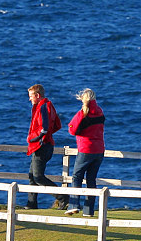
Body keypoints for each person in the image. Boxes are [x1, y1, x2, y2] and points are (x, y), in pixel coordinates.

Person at [25, 84, 68, 210]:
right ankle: (31, 204)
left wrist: (34, 138)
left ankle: (62, 197)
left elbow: (45, 128)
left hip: (42, 145)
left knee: (37, 177)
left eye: (31, 96)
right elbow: (57, 125)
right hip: (43, 144)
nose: (29, 99)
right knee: (32, 176)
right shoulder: (46, 106)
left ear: (37, 95)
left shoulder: (44, 107)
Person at [65, 88, 105, 217]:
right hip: (99, 149)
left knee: (77, 176)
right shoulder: (100, 111)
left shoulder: (82, 113)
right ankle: (88, 210)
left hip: (86, 149)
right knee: (91, 179)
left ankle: (74, 205)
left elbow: (72, 129)